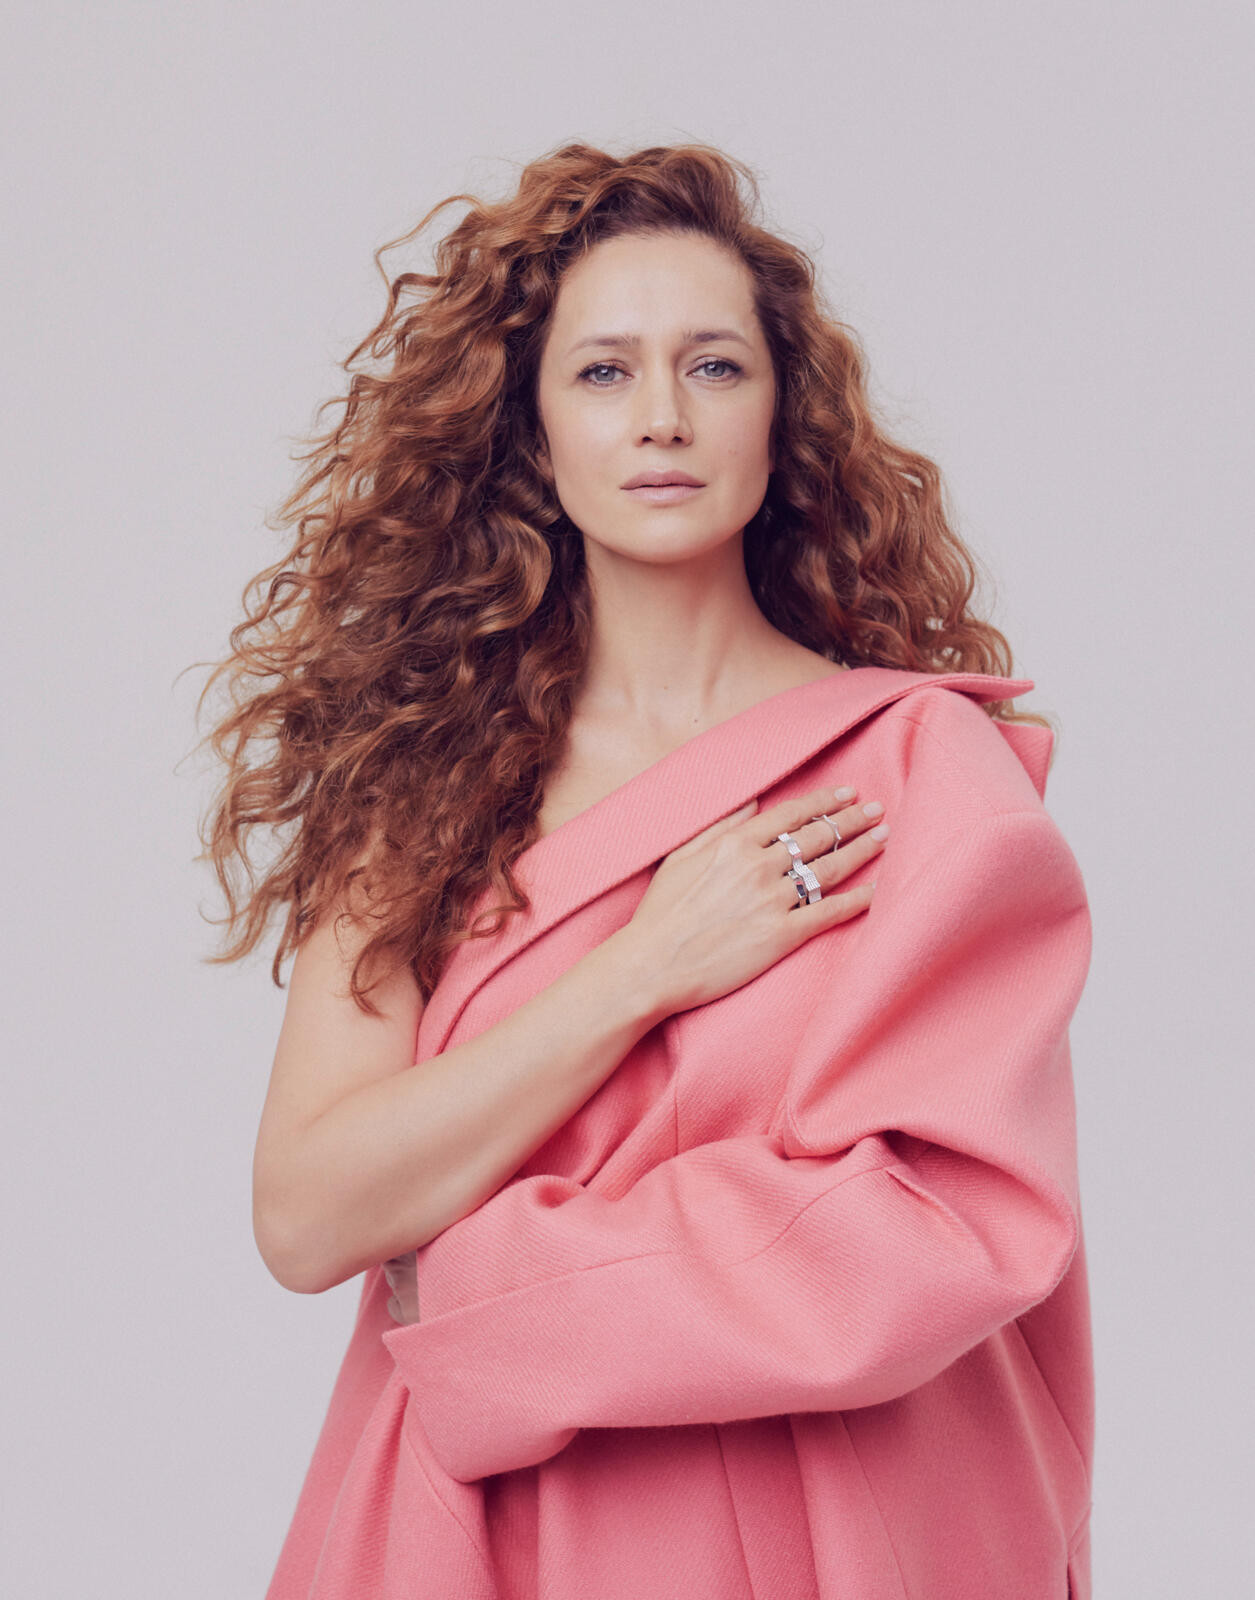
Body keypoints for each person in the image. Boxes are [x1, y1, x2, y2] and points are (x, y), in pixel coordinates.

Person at [195, 141, 1094, 1600]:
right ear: (533, 436)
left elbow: (945, 1223)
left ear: (781, 419)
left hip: (832, 1530)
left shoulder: (924, 769)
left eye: (715, 367)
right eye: (605, 372)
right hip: (493, 1533)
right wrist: (647, 968)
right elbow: (307, 1214)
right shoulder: (424, 787)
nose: (663, 416)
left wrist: (489, 1293)